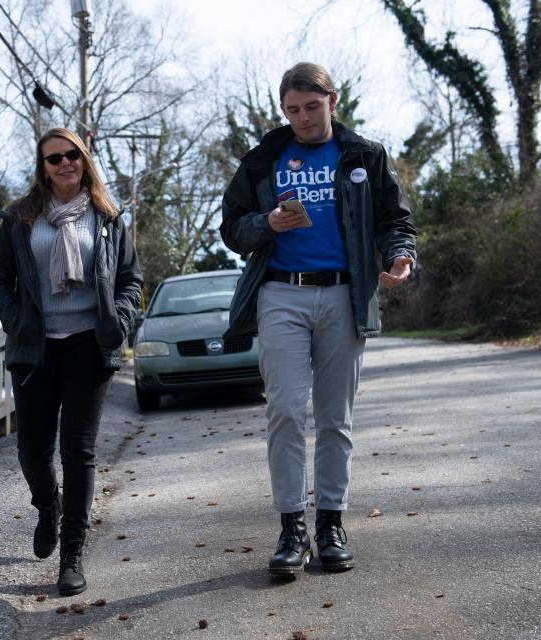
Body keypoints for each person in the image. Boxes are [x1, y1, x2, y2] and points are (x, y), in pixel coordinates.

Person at [219, 62, 417, 575]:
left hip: (343, 296)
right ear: (283, 110)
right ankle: (291, 528)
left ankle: (330, 525)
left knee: (335, 418)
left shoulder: (365, 157)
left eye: (311, 106)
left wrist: (399, 254)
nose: (303, 118)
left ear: (332, 100)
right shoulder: (265, 159)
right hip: (281, 295)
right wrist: (268, 222)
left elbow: (395, 220)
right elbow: (233, 230)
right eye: (292, 109)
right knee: (285, 410)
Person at [0, 127, 142, 596]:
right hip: (35, 348)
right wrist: (19, 322)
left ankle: (72, 553)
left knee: (79, 451)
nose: (65, 163)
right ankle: (47, 505)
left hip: (88, 346)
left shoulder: (110, 219)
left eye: (73, 155)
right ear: (43, 168)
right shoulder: (20, 219)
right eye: (54, 158)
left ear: (85, 159)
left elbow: (130, 279)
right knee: (32, 450)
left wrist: (120, 320)